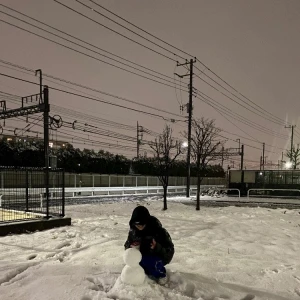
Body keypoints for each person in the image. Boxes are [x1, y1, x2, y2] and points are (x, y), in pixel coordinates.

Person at [124, 205, 174, 285]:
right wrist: (131, 247)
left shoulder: (158, 231)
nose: (139, 227)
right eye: (137, 225)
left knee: (149, 262)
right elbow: (126, 246)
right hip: (141, 257)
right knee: (133, 265)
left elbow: (169, 251)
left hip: (156, 258)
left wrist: (156, 247)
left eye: (142, 225)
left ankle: (161, 275)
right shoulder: (133, 232)